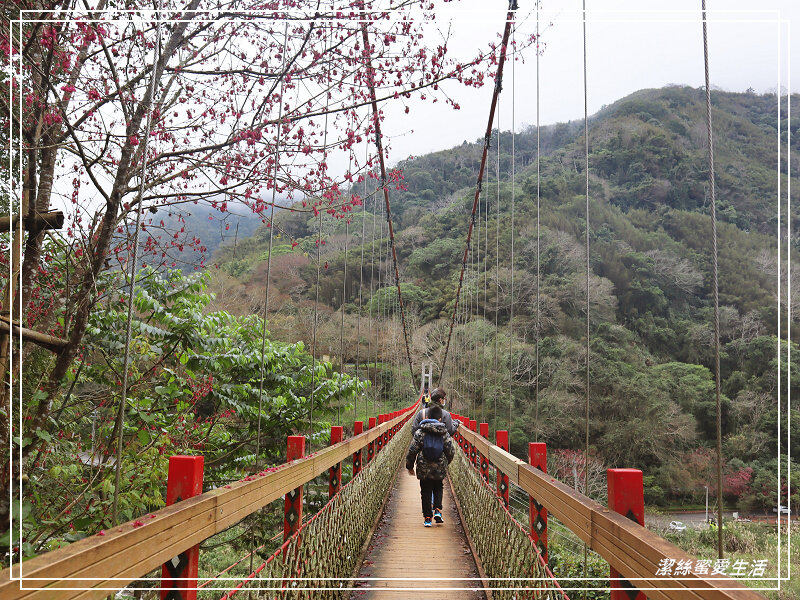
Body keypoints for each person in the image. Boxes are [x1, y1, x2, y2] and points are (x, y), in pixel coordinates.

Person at [405, 403, 455, 527]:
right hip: (439, 466)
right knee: (438, 487)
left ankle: (427, 518)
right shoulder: (444, 433)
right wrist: (446, 462)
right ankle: (438, 510)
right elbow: (450, 451)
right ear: (440, 419)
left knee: (425, 491)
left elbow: (412, 450)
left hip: (423, 467)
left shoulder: (420, 432)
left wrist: (409, 466)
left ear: (427, 417)